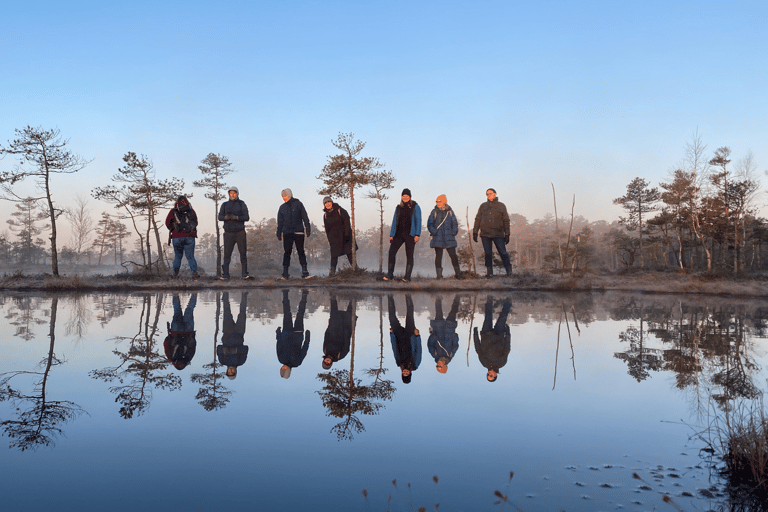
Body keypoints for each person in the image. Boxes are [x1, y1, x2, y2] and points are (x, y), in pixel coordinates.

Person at [383, 188, 421, 282]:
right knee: (391, 252)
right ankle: (390, 275)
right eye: (403, 196)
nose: (405, 197)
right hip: (398, 234)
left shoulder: (415, 206)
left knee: (409, 255)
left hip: (410, 235)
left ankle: (407, 277)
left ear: (410, 197)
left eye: (407, 196)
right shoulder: (398, 207)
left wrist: (417, 234)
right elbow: (394, 221)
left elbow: (418, 221)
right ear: (401, 197)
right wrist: (392, 234)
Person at [473, 188, 512, 277]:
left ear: (495, 194)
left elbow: (506, 220)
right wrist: (475, 232)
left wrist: (507, 233)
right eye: (487, 194)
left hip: (498, 233)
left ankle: (509, 272)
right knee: (488, 254)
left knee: (503, 252)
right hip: (485, 234)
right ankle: (489, 273)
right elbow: (478, 219)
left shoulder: (501, 205)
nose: (488, 195)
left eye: (490, 193)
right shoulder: (483, 206)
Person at [473, 296, 512, 382]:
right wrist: (508, 334)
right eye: (491, 375)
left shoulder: (484, 363)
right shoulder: (502, 363)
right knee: (503, 316)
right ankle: (509, 298)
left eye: (488, 375)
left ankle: (489, 297)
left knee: (488, 315)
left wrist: (475, 334)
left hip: (486, 334)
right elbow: (507, 349)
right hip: (499, 335)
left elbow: (478, 349)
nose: (489, 373)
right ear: (495, 375)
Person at [276, 188, 312, 279]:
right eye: (283, 196)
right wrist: (279, 232)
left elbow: (304, 216)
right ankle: (285, 273)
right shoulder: (282, 207)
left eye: (285, 195)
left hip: (298, 231)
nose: (284, 197)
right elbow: (280, 221)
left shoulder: (298, 204)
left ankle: (305, 272)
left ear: (290, 195)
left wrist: (307, 228)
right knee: (287, 252)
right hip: (287, 232)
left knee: (301, 251)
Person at [218, 186, 251, 280]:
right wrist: (226, 217)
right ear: (229, 194)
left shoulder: (242, 204)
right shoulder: (224, 205)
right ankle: (225, 275)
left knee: (243, 254)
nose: (232, 195)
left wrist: (237, 218)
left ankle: (245, 274)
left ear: (237, 194)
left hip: (240, 232)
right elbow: (219, 217)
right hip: (228, 233)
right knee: (227, 254)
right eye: (231, 193)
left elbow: (247, 217)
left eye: (234, 193)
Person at [276, 289, 310, 379]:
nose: (283, 367)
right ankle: (304, 295)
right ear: (288, 371)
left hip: (286, 333)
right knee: (300, 314)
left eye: (281, 369)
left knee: (287, 313)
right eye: (284, 369)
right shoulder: (297, 363)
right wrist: (307, 338)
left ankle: (285, 293)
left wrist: (278, 334)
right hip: (298, 335)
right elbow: (304, 350)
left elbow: (279, 345)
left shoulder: (281, 359)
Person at [388, 294, 421, 383]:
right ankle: (408, 295)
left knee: (391, 318)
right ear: (410, 374)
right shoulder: (415, 364)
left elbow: (394, 348)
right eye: (407, 374)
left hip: (399, 337)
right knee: (410, 315)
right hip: (410, 336)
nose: (405, 372)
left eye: (404, 374)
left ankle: (390, 296)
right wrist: (417, 336)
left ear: (402, 373)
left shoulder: (399, 363)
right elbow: (419, 351)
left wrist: (392, 335)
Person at [217, 291, 249, 379]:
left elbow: (218, 348)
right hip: (239, 333)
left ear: (226, 371)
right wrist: (233, 350)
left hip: (227, 332)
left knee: (226, 310)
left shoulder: (222, 361)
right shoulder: (241, 362)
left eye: (229, 372)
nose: (231, 370)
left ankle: (225, 293)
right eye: (232, 372)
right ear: (235, 371)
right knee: (242, 312)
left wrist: (227, 350)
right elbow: (246, 348)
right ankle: (244, 294)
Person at [427, 194, 461, 279]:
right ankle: (439, 276)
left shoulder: (450, 211)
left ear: (444, 202)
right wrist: (434, 231)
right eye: (437, 201)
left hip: (449, 237)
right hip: (437, 237)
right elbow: (429, 224)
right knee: (438, 256)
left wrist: (454, 232)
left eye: (440, 201)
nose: (438, 203)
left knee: (453, 256)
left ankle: (458, 274)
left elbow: (455, 223)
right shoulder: (433, 212)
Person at [165, 196, 199, 279]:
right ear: (186, 201)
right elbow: (196, 222)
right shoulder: (191, 210)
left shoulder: (173, 211)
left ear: (177, 201)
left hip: (177, 237)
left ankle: (175, 275)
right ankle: (194, 274)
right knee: (190, 257)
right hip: (189, 237)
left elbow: (167, 223)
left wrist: (174, 230)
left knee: (177, 256)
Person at [163, 293, 197, 370]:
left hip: (188, 331)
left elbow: (194, 345)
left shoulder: (188, 358)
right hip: (176, 331)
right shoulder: (171, 358)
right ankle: (175, 291)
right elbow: (166, 344)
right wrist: (171, 336)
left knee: (190, 309)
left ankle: (195, 292)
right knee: (177, 309)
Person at [322, 196, 354, 276]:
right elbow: (327, 229)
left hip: (345, 236)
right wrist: (329, 239)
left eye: (329, 202)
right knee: (334, 256)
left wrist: (347, 235)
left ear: (332, 202)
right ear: (324, 205)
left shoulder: (340, 210)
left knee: (349, 254)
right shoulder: (325, 215)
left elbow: (347, 222)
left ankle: (355, 270)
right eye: (325, 203)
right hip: (334, 239)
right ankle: (332, 274)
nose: (328, 204)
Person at [428, 295, 460, 374]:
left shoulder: (434, 355)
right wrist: (454, 336)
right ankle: (458, 296)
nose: (437, 365)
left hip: (438, 330)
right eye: (439, 366)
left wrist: (434, 336)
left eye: (437, 366)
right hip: (449, 330)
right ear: (445, 366)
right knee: (453, 312)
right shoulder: (450, 355)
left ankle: (438, 294)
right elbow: (455, 345)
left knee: (438, 311)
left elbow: (430, 344)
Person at [322, 295, 354, 370]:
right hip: (344, 331)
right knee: (349, 313)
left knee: (333, 311)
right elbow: (346, 344)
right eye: (328, 363)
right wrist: (347, 331)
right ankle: (353, 295)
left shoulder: (325, 351)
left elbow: (326, 337)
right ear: (331, 363)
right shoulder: (340, 356)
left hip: (333, 328)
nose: (327, 361)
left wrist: (329, 325)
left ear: (323, 360)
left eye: (325, 362)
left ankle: (333, 293)